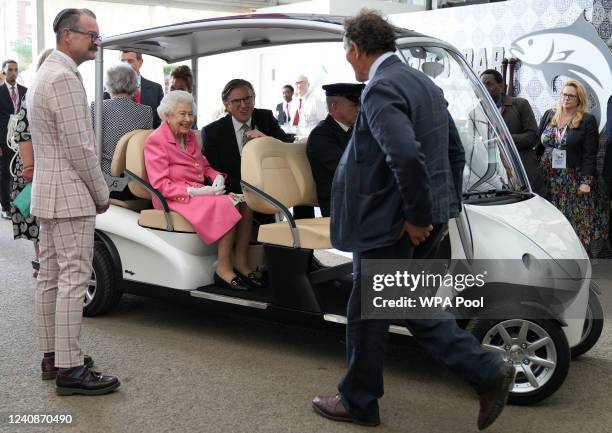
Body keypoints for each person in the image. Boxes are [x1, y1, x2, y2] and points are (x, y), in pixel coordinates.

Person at [311, 11, 513, 431]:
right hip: (421, 218)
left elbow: (403, 155)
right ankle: (361, 398)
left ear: (357, 49)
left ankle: (485, 370)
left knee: (388, 308)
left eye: (347, 52)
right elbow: (454, 152)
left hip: (393, 225)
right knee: (393, 308)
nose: (348, 60)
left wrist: (417, 217)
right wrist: (440, 209)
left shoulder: (381, 87)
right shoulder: (424, 83)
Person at [27, 8, 120, 396]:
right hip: (71, 196)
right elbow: (81, 148)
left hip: (50, 193)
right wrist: (102, 192)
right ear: (67, 35)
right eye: (91, 35)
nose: (97, 41)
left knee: (50, 276)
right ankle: (70, 367)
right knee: (73, 279)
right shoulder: (64, 78)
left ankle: (53, 355)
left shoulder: (44, 74)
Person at [145, 91, 263, 291]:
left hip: (198, 192)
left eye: (191, 114)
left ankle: (241, 263)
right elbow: (160, 184)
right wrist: (194, 191)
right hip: (173, 197)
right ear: (167, 115)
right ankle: (223, 269)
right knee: (228, 202)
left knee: (246, 202)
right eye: (182, 114)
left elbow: (204, 165)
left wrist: (217, 176)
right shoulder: (156, 140)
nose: (188, 119)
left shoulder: (189, 136)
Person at [535, 79, 608, 254]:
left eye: (571, 96)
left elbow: (590, 154)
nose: (566, 98)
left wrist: (586, 181)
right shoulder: (549, 115)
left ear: (579, 99)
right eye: (564, 94)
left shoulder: (586, 120)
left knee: (574, 219)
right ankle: (551, 251)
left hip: (572, 178)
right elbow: (538, 145)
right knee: (548, 215)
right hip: (547, 177)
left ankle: (574, 254)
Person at [202, 78, 294, 195]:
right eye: (236, 101)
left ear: (254, 98)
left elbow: (289, 148)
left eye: (247, 99)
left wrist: (267, 141)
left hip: (267, 193)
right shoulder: (212, 132)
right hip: (231, 196)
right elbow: (213, 173)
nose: (243, 105)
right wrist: (247, 190)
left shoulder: (266, 118)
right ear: (227, 105)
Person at [9, 49, 53, 278]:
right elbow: (23, 133)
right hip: (33, 164)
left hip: (38, 163)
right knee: (35, 214)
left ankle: (42, 260)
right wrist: (29, 168)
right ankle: (41, 260)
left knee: (37, 216)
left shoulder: (36, 90)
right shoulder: (35, 92)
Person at [92, 63, 152, 200]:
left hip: (104, 182)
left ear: (108, 84)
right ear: (134, 84)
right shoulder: (146, 112)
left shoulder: (97, 108)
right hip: (135, 183)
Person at [306, 83, 363, 217]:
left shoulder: (354, 131)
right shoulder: (321, 135)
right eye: (354, 105)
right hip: (342, 206)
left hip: (358, 199)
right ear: (334, 107)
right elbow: (350, 170)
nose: (360, 110)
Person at [479, 69, 540, 193]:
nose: (484, 88)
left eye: (489, 84)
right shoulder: (477, 110)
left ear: (501, 87)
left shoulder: (520, 105)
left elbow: (533, 136)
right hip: (492, 174)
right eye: (482, 85)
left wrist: (507, 139)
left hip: (521, 171)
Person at [106, 50, 164, 128]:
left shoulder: (156, 89)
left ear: (140, 62)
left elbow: (159, 123)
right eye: (123, 61)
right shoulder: (108, 89)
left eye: (130, 61)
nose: (126, 65)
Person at [0, 59, 27, 219]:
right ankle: (5, 208)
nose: (13, 73)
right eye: (10, 70)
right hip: (4, 139)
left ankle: (20, 205)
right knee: (5, 174)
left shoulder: (25, 91)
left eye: (15, 70)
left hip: (22, 139)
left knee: (22, 173)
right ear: (4, 72)